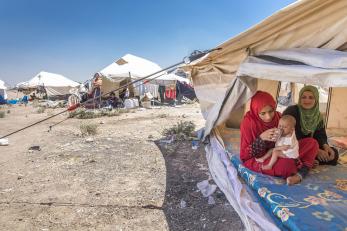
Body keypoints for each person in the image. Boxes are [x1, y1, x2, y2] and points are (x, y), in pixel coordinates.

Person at [240, 91, 318, 185]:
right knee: (286, 166)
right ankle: (303, 166)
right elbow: (244, 156)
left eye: (271, 111)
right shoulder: (249, 123)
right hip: (262, 158)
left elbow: (290, 139)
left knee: (312, 143)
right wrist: (261, 138)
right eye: (263, 113)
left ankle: (300, 168)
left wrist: (287, 133)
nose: (268, 117)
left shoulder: (279, 117)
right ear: (256, 111)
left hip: (282, 151)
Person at [283, 85, 339, 167]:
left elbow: (320, 134)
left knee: (333, 153)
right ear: (300, 98)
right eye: (304, 97)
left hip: (311, 146)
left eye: (311, 97)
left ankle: (307, 161)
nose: (307, 100)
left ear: (316, 99)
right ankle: (307, 161)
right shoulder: (292, 111)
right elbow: (288, 135)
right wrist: (316, 150)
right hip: (293, 146)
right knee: (290, 155)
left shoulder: (317, 115)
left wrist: (325, 146)